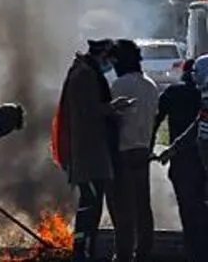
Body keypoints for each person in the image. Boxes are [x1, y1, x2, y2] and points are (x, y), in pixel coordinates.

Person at [51, 39, 133, 262]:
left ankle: (84, 249)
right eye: (110, 60)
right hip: (88, 154)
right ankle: (82, 251)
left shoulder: (85, 72)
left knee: (91, 206)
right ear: (103, 56)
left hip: (91, 153)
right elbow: (87, 111)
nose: (111, 66)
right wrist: (112, 107)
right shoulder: (84, 76)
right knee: (90, 207)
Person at [103, 39, 158, 262]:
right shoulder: (150, 85)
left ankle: (123, 255)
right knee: (143, 206)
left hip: (122, 152)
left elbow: (111, 121)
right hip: (142, 150)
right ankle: (143, 252)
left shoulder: (119, 86)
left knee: (122, 208)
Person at [153, 59, 208, 262]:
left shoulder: (177, 93)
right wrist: (173, 149)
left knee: (194, 214)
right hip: (198, 163)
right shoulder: (205, 101)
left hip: (196, 167)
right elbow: (196, 128)